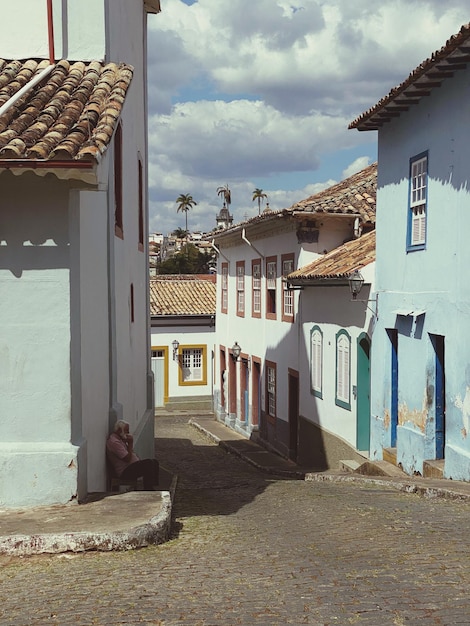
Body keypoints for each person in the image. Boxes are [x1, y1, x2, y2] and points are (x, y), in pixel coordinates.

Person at [106, 420, 159, 490]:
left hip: (130, 466)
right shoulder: (114, 442)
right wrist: (130, 443)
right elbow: (127, 459)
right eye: (126, 430)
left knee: (154, 462)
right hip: (124, 471)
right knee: (148, 463)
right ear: (119, 430)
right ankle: (148, 488)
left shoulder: (120, 439)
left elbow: (129, 453)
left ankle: (152, 486)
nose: (128, 433)